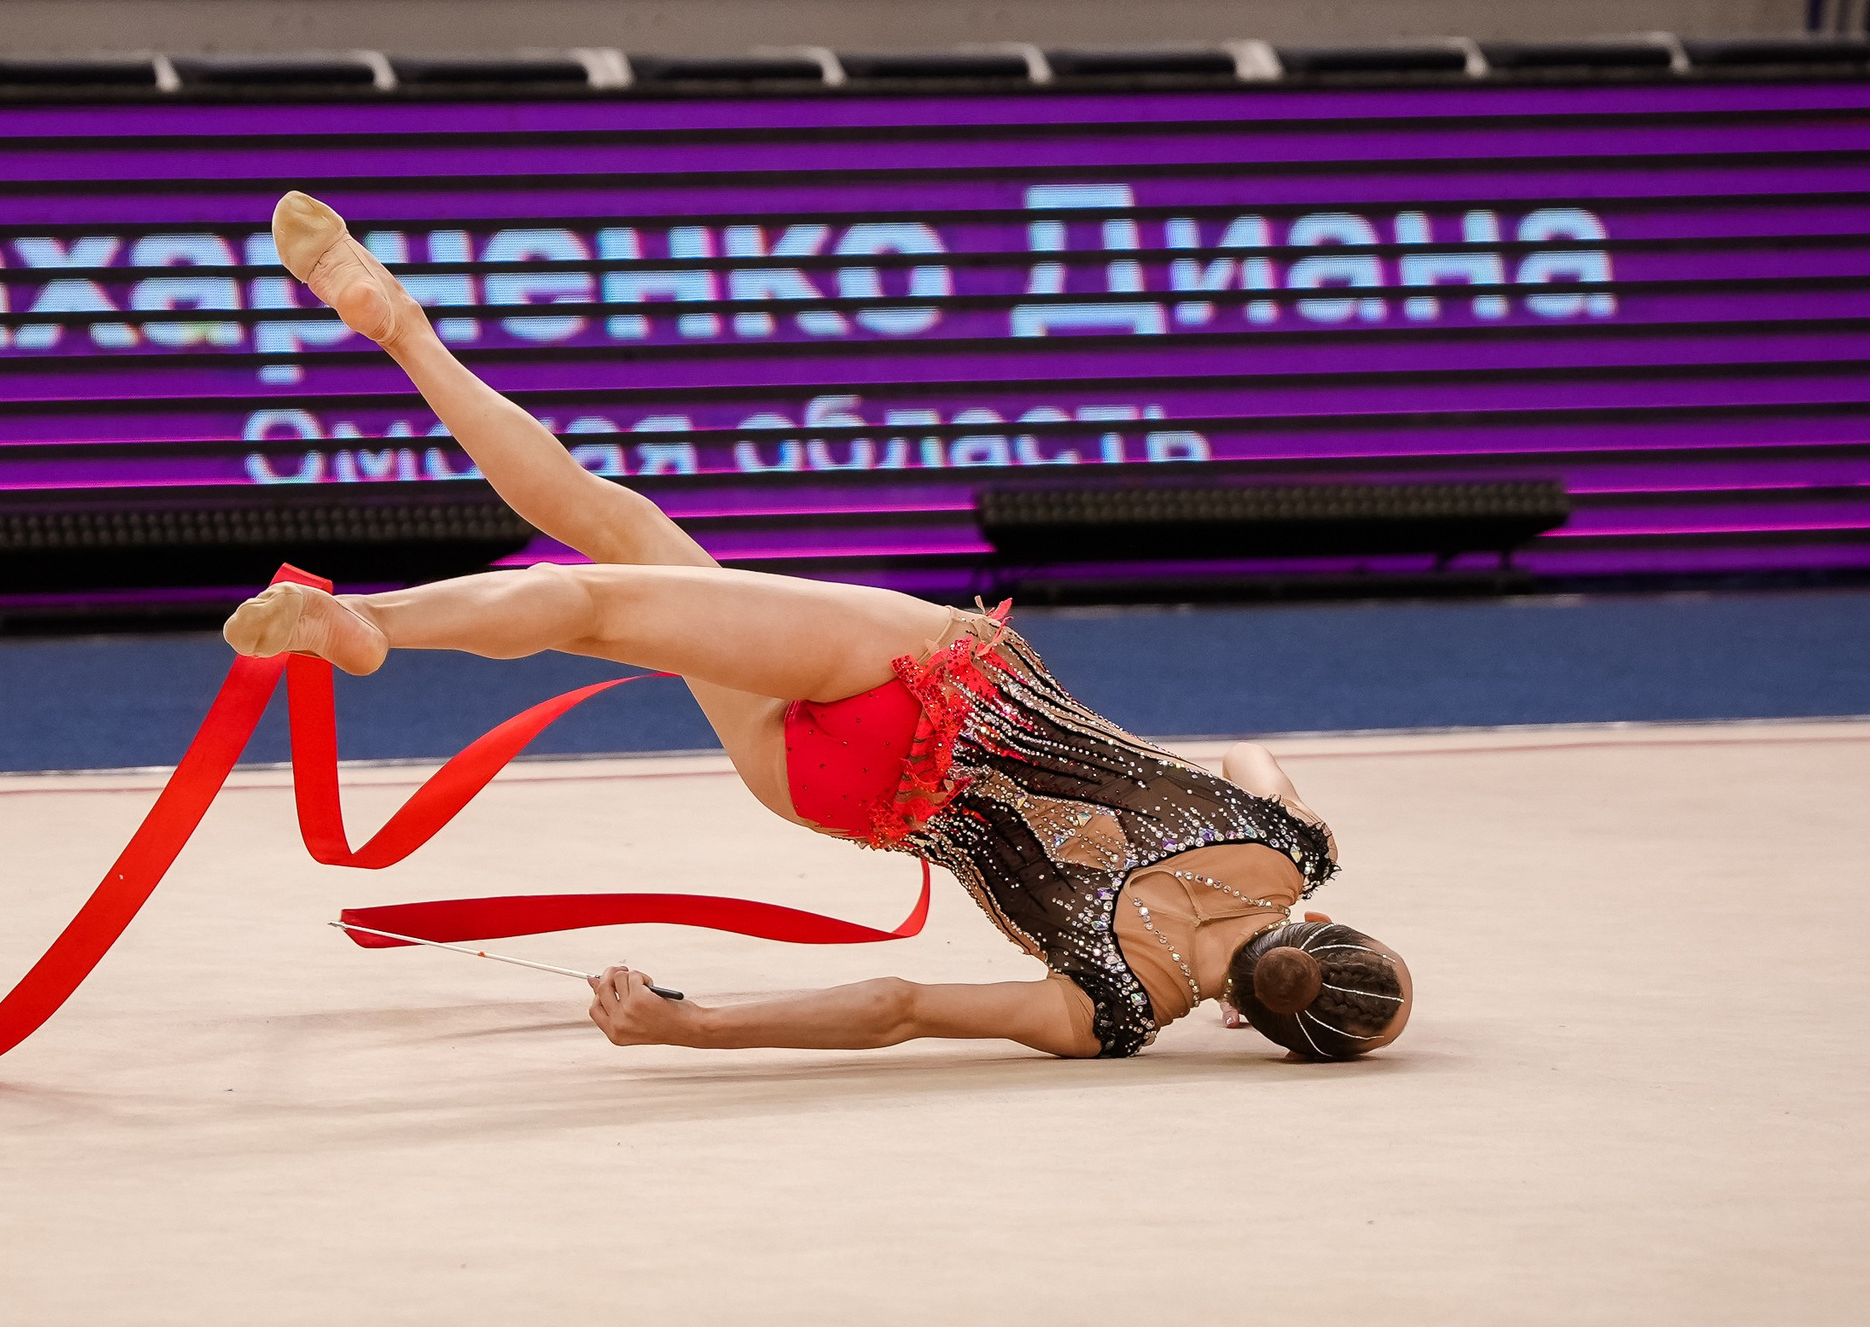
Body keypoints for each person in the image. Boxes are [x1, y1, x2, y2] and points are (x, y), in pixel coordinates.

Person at [226, 192, 1414, 1064]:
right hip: (851, 789)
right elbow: (896, 1008)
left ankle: (378, 565)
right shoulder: (1115, 1006)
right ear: (1254, 1020)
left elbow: (1250, 753)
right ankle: (375, 530)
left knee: (611, 552)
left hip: (944, 679)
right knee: (614, 566)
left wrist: (1274, 868)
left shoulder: (1286, 846)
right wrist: (690, 1027)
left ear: (1320, 925)